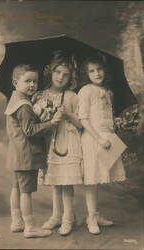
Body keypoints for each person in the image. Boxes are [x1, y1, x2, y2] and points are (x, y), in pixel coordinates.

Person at [4, 64, 61, 238]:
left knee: (16, 187)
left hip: (16, 153)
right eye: (27, 81)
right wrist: (51, 123)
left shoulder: (15, 100)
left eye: (35, 81)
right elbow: (30, 131)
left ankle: (17, 221)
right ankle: (30, 227)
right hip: (26, 154)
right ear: (15, 82)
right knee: (26, 191)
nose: (32, 85)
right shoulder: (23, 105)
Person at [32, 51, 83, 236]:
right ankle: (56, 215)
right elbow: (35, 121)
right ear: (50, 72)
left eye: (66, 74)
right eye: (57, 72)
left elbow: (81, 124)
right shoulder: (40, 94)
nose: (61, 77)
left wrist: (68, 114)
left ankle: (68, 218)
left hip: (67, 142)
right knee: (54, 181)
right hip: (48, 141)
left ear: (71, 77)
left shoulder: (72, 96)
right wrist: (45, 114)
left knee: (66, 182)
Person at [78, 56, 126, 235]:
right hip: (93, 138)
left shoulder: (108, 92)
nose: (97, 73)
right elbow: (83, 118)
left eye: (99, 69)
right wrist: (98, 138)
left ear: (105, 71)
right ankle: (91, 217)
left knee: (98, 179)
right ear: (86, 74)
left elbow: (107, 117)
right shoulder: (86, 90)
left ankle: (95, 215)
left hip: (108, 137)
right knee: (91, 180)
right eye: (92, 70)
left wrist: (117, 124)